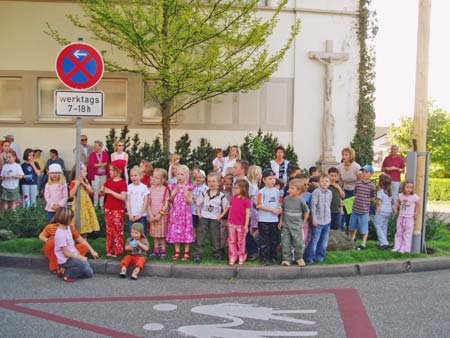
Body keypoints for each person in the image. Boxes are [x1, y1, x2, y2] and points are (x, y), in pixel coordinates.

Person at [39, 207, 98, 273]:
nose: (72, 221)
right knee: (51, 243)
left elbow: (81, 240)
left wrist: (92, 251)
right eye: (70, 219)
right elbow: (41, 236)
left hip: (67, 250)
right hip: (54, 250)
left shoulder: (71, 228)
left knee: (83, 247)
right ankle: (56, 268)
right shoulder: (50, 227)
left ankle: (66, 265)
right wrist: (48, 240)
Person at [53, 207, 98, 282]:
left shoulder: (68, 228)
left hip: (73, 255)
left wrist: (92, 251)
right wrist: (80, 257)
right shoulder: (60, 234)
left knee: (89, 274)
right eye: (71, 218)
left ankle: (64, 270)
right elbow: (66, 253)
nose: (72, 220)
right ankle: (68, 275)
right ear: (65, 218)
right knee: (82, 265)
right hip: (66, 260)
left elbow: (80, 239)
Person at [194, 172, 229, 263]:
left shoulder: (221, 196)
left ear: (218, 183)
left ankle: (216, 253)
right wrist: (199, 213)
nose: (211, 183)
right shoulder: (204, 193)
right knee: (201, 236)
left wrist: (220, 216)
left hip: (214, 219)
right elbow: (198, 204)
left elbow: (227, 207)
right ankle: (198, 254)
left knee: (215, 236)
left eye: (214, 181)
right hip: (204, 218)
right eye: (209, 181)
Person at [167, 164, 195, 261]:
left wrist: (186, 194)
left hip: (185, 213)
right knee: (175, 230)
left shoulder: (189, 187)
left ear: (187, 175)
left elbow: (190, 202)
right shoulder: (174, 186)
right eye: (178, 174)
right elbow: (170, 200)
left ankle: (186, 252)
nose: (179, 176)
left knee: (186, 231)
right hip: (176, 212)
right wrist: (174, 193)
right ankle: (177, 251)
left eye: (182, 174)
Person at [279, 178, 309, 267]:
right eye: (289, 188)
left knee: (298, 243)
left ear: (299, 190)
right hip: (286, 226)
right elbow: (283, 211)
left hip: (296, 226)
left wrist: (303, 222)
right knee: (285, 243)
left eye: (292, 188)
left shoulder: (301, 201)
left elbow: (306, 211)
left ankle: (299, 258)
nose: (289, 190)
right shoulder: (286, 199)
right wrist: (281, 221)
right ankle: (287, 259)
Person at [101, 159, 128, 257]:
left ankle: (118, 250)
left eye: (111, 170)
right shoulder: (108, 181)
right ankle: (110, 249)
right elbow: (102, 192)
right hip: (108, 208)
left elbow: (123, 197)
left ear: (117, 171)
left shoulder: (122, 183)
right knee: (109, 230)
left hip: (118, 209)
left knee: (117, 230)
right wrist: (102, 191)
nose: (110, 172)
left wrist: (110, 191)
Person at [304, 174, 332, 264]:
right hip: (318, 221)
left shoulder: (330, 193)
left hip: (327, 220)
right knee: (314, 240)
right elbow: (313, 206)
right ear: (319, 182)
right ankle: (309, 258)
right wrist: (314, 219)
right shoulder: (316, 192)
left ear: (329, 183)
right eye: (323, 181)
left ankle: (320, 257)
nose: (324, 183)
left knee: (324, 241)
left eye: (326, 181)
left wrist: (329, 217)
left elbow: (328, 206)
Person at [257, 168, 282, 266]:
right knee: (264, 240)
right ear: (264, 180)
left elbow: (278, 202)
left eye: (273, 178)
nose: (272, 180)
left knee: (274, 240)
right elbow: (259, 205)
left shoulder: (277, 191)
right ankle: (264, 258)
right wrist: (272, 210)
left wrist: (279, 208)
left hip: (274, 220)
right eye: (270, 178)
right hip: (264, 220)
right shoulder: (261, 192)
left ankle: (274, 257)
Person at [348, 165, 376, 250]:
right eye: (363, 172)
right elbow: (355, 193)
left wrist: (367, 200)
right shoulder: (358, 183)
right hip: (355, 210)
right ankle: (350, 242)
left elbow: (373, 196)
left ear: (370, 174)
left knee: (364, 229)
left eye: (366, 172)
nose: (364, 174)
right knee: (352, 227)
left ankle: (363, 244)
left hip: (364, 211)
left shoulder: (372, 186)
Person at [69, 163, 100, 237]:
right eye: (84, 171)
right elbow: (71, 195)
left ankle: (84, 240)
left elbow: (91, 191)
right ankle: (77, 240)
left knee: (85, 224)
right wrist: (77, 184)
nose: (86, 173)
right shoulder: (73, 182)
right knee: (77, 223)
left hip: (86, 206)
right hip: (78, 206)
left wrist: (84, 184)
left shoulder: (85, 181)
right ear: (79, 172)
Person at [227, 179, 251, 265]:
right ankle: (233, 255)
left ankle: (241, 255)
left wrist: (246, 225)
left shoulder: (247, 200)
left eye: (237, 188)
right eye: (235, 188)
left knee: (241, 241)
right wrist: (229, 219)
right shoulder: (233, 198)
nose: (235, 189)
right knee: (232, 240)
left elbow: (248, 213)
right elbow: (231, 209)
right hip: (232, 223)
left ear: (243, 189)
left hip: (241, 224)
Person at [148, 168, 170, 258]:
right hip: (152, 215)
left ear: (163, 180)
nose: (153, 179)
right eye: (153, 176)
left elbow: (166, 204)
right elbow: (148, 203)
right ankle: (156, 249)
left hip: (162, 216)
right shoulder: (150, 189)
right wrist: (150, 214)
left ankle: (163, 250)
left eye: (156, 177)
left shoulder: (165, 190)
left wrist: (159, 214)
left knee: (162, 234)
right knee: (155, 234)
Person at [392, 181, 420, 253]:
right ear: (403, 187)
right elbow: (398, 202)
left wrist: (416, 213)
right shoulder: (401, 195)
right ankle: (397, 247)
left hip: (409, 218)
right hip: (401, 217)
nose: (409, 189)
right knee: (399, 232)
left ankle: (405, 249)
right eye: (407, 187)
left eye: (411, 187)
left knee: (407, 234)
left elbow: (418, 205)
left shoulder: (414, 197)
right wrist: (395, 208)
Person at [127, 166, 149, 233]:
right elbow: (127, 201)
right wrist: (129, 214)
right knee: (133, 233)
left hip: (142, 215)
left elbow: (146, 202)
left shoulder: (144, 187)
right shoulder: (129, 187)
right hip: (132, 214)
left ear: (140, 176)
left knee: (142, 233)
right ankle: (133, 243)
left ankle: (142, 243)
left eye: (135, 175)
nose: (133, 177)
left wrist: (140, 214)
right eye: (131, 175)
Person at [88, 140, 110, 208]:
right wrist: (101, 164)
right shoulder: (92, 154)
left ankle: (101, 205)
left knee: (102, 190)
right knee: (95, 190)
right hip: (95, 175)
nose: (94, 147)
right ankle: (95, 205)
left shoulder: (105, 154)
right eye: (94, 146)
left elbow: (107, 163)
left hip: (103, 175)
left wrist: (98, 164)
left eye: (96, 146)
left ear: (100, 146)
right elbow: (92, 165)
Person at [374, 174, 393, 249]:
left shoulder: (380, 191)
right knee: (384, 226)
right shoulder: (389, 192)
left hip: (381, 211)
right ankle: (384, 242)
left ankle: (384, 242)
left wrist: (377, 210)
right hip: (388, 211)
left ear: (381, 183)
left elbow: (379, 202)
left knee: (377, 225)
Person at [191, 169, 208, 234]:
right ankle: (194, 236)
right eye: (197, 177)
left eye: (200, 177)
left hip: (201, 210)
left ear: (204, 178)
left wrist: (196, 198)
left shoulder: (206, 188)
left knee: (201, 225)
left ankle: (201, 237)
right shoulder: (193, 187)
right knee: (194, 224)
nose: (198, 179)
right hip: (193, 209)